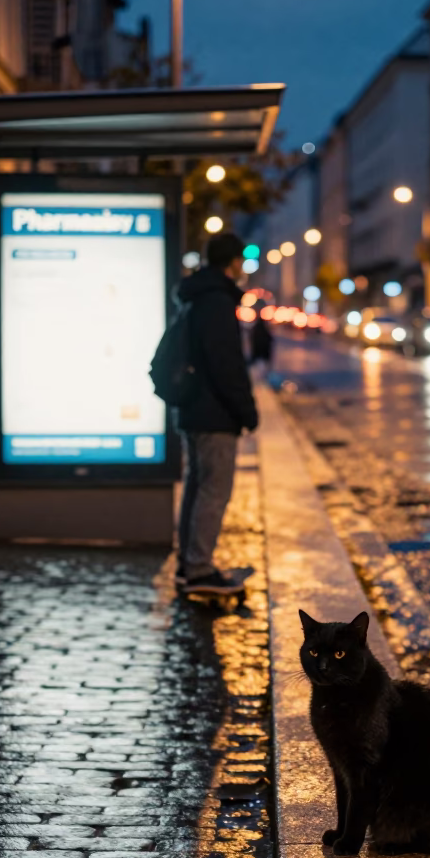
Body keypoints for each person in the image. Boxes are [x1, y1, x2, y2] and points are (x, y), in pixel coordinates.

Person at [174, 232, 258, 594]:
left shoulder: (198, 296)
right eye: (241, 260)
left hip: (194, 408)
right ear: (233, 262)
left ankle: (188, 564)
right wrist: (246, 410)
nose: (243, 267)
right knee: (213, 491)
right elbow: (227, 364)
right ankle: (199, 569)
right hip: (215, 413)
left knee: (197, 487)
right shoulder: (218, 301)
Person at [249, 311, 274, 380]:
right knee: (263, 370)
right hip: (263, 354)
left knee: (258, 370)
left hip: (258, 354)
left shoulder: (255, 330)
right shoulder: (265, 331)